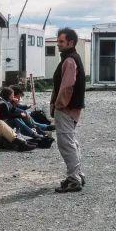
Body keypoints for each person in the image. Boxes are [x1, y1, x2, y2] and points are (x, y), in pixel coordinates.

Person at [50, 28, 86, 193]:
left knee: (66, 142)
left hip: (66, 108)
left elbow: (67, 86)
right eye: (58, 41)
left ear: (70, 42)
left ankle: (74, 178)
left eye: (61, 42)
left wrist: (58, 105)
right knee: (71, 141)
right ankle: (77, 174)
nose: (58, 44)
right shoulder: (73, 58)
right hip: (72, 108)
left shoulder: (69, 60)